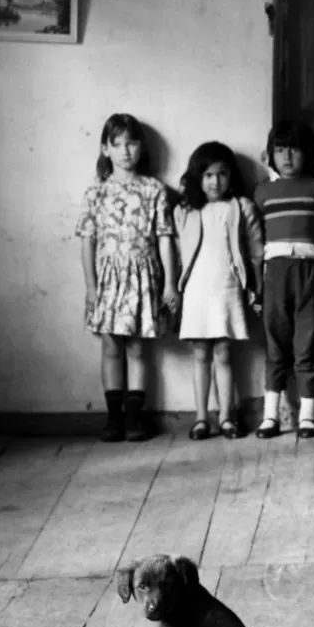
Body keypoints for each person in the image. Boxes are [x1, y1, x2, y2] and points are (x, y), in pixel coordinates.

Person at [76, 113, 178, 442]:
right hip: (107, 279)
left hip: (143, 276)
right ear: (105, 149)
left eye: (131, 143)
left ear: (141, 147)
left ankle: (134, 418)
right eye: (117, 144)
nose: (125, 151)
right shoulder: (96, 193)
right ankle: (113, 418)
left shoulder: (155, 190)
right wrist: (91, 288)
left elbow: (165, 237)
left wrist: (170, 283)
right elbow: (87, 242)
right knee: (110, 347)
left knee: (136, 348)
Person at [253, 120, 314, 439]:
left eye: (294, 149)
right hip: (274, 274)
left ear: (310, 154)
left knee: (307, 344)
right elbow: (254, 242)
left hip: (311, 274)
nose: (287, 156)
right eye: (280, 150)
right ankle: (271, 416)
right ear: (270, 156)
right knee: (276, 346)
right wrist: (255, 284)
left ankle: (308, 416)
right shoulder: (263, 192)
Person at [174, 142, 264, 440]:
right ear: (197, 177)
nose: (215, 181)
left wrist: (257, 288)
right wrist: (173, 289)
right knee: (200, 354)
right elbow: (176, 251)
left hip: (226, 289)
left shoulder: (241, 207)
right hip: (197, 291)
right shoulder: (185, 211)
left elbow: (256, 251)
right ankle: (201, 417)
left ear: (231, 177)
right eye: (208, 174)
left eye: (222, 174)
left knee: (224, 354)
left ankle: (226, 416)